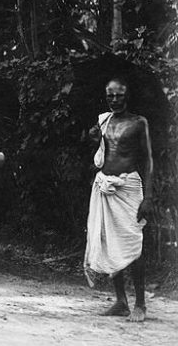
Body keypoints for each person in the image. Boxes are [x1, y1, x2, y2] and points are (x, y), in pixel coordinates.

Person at [84, 76, 153, 323]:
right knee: (110, 242)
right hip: (105, 186)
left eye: (119, 95)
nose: (114, 99)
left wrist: (148, 197)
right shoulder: (103, 122)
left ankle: (141, 304)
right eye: (110, 95)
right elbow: (101, 154)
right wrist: (93, 138)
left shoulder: (138, 122)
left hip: (129, 188)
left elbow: (148, 160)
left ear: (127, 95)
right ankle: (121, 302)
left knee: (132, 245)